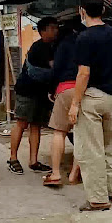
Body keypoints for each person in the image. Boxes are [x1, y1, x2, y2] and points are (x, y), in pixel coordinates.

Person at [68, 0, 112, 212]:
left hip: (92, 98)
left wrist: (75, 104)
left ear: (81, 11)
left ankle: (98, 199)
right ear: (102, 9)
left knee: (91, 150)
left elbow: (83, 74)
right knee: (110, 147)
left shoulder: (84, 38)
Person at [8, 17, 59, 175]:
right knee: (21, 123)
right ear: (43, 30)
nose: (55, 30)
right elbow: (54, 67)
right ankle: (12, 158)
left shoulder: (51, 46)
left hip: (40, 93)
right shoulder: (39, 47)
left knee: (36, 125)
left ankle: (33, 161)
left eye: (56, 27)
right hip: (27, 91)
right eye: (52, 28)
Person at [42, 25, 82, 187]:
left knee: (59, 132)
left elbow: (56, 70)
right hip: (83, 89)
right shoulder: (85, 42)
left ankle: (56, 173)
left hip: (65, 89)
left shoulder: (63, 45)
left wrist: (52, 90)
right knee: (81, 133)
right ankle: (74, 174)